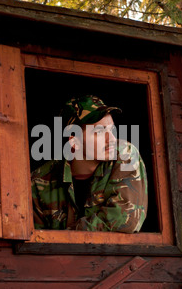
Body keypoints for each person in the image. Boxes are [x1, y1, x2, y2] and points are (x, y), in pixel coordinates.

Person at [31, 95, 148, 233]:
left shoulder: (124, 154)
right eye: (99, 131)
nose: (111, 139)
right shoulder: (39, 181)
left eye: (111, 130)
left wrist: (67, 236)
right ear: (74, 142)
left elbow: (125, 220)